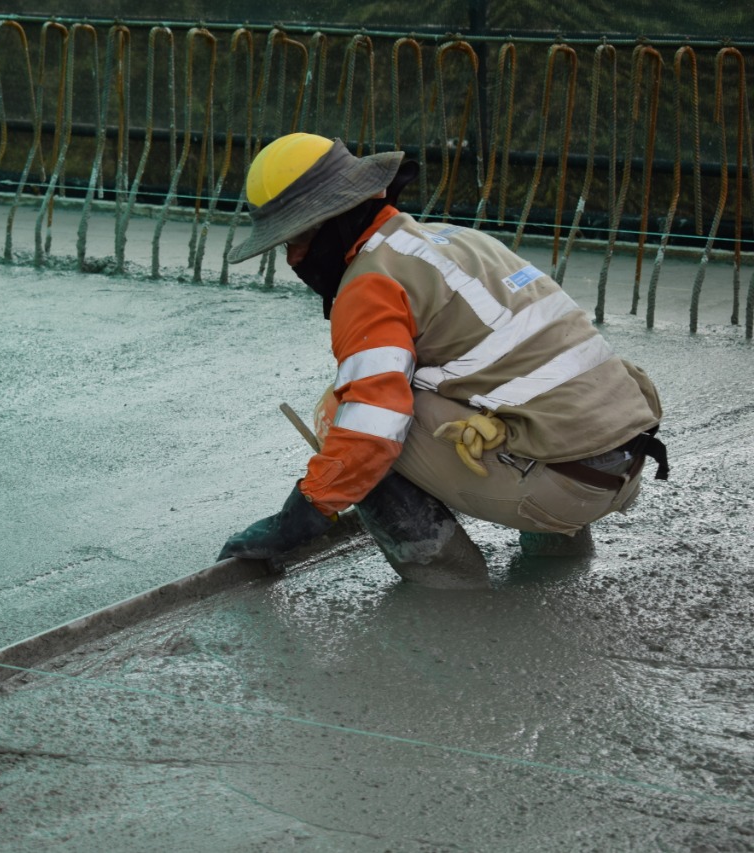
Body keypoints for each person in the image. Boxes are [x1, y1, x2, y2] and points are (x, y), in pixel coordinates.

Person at [217, 132, 668, 588]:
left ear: (325, 225)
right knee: (501, 387)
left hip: (565, 490)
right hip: (622, 464)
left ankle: (446, 577)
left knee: (344, 413)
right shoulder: (460, 241)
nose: (294, 257)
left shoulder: (370, 284)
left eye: (293, 240)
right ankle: (558, 553)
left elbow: (369, 429)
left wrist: (298, 519)